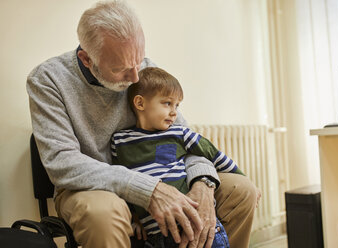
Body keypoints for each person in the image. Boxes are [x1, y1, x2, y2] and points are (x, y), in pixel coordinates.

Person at [26, 1, 259, 247]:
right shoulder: (47, 80)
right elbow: (62, 163)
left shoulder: (146, 69)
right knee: (104, 213)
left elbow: (184, 139)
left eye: (137, 62)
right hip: (90, 186)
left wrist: (203, 183)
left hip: (161, 177)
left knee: (241, 190)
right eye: (121, 69)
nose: (136, 77)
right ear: (86, 59)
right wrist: (146, 189)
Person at [112, 67, 245, 247]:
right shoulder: (119, 141)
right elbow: (120, 183)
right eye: (167, 103)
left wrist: (241, 176)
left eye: (177, 105)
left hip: (194, 226)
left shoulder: (180, 133)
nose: (174, 112)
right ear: (140, 103)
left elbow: (213, 154)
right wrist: (134, 219)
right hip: (155, 237)